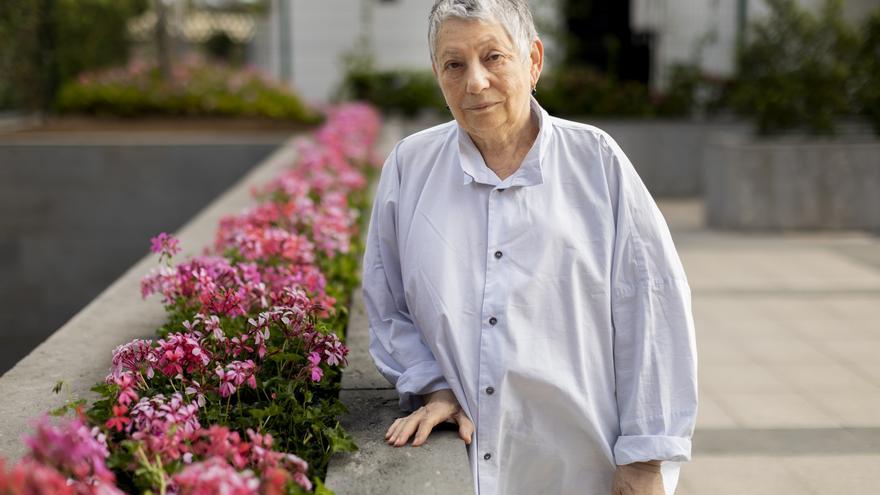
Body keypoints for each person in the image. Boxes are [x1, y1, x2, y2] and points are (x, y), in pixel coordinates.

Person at [360, 1, 699, 494]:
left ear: (534, 60)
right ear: (438, 74)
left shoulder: (596, 162)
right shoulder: (410, 166)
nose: (474, 82)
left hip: (582, 469)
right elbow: (388, 302)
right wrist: (434, 385)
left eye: (493, 57)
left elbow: (653, 306)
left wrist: (647, 457)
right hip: (468, 468)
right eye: (454, 64)